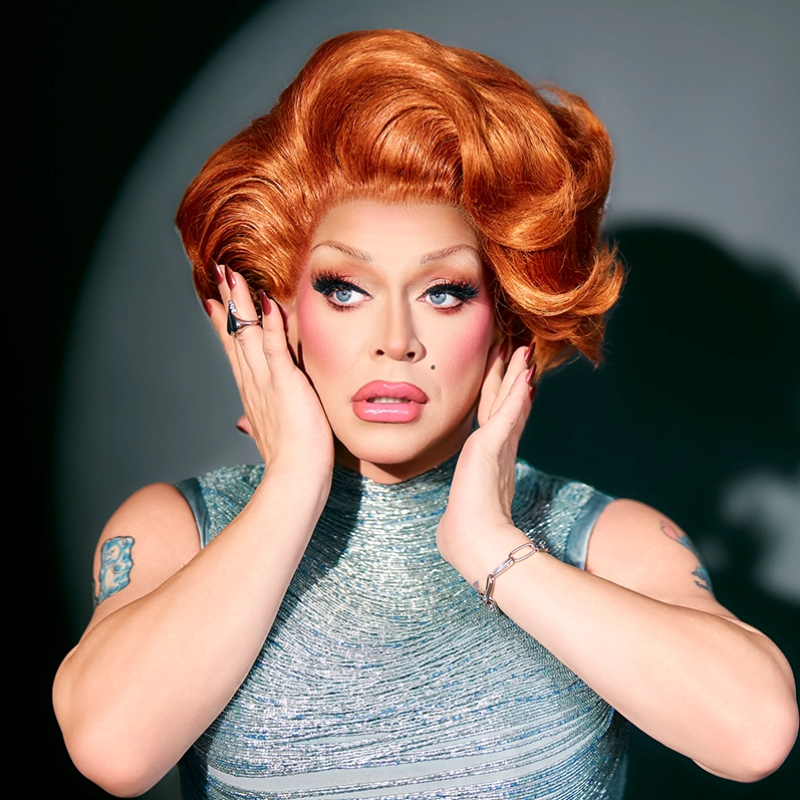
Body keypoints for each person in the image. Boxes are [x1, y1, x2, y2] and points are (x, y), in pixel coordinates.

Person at [53, 29, 797, 799]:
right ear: (281, 312)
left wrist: (488, 546)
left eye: (445, 292)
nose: (396, 343)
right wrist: (293, 485)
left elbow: (753, 735)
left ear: (505, 318)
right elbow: (114, 749)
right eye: (346, 289)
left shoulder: (598, 538)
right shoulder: (180, 527)